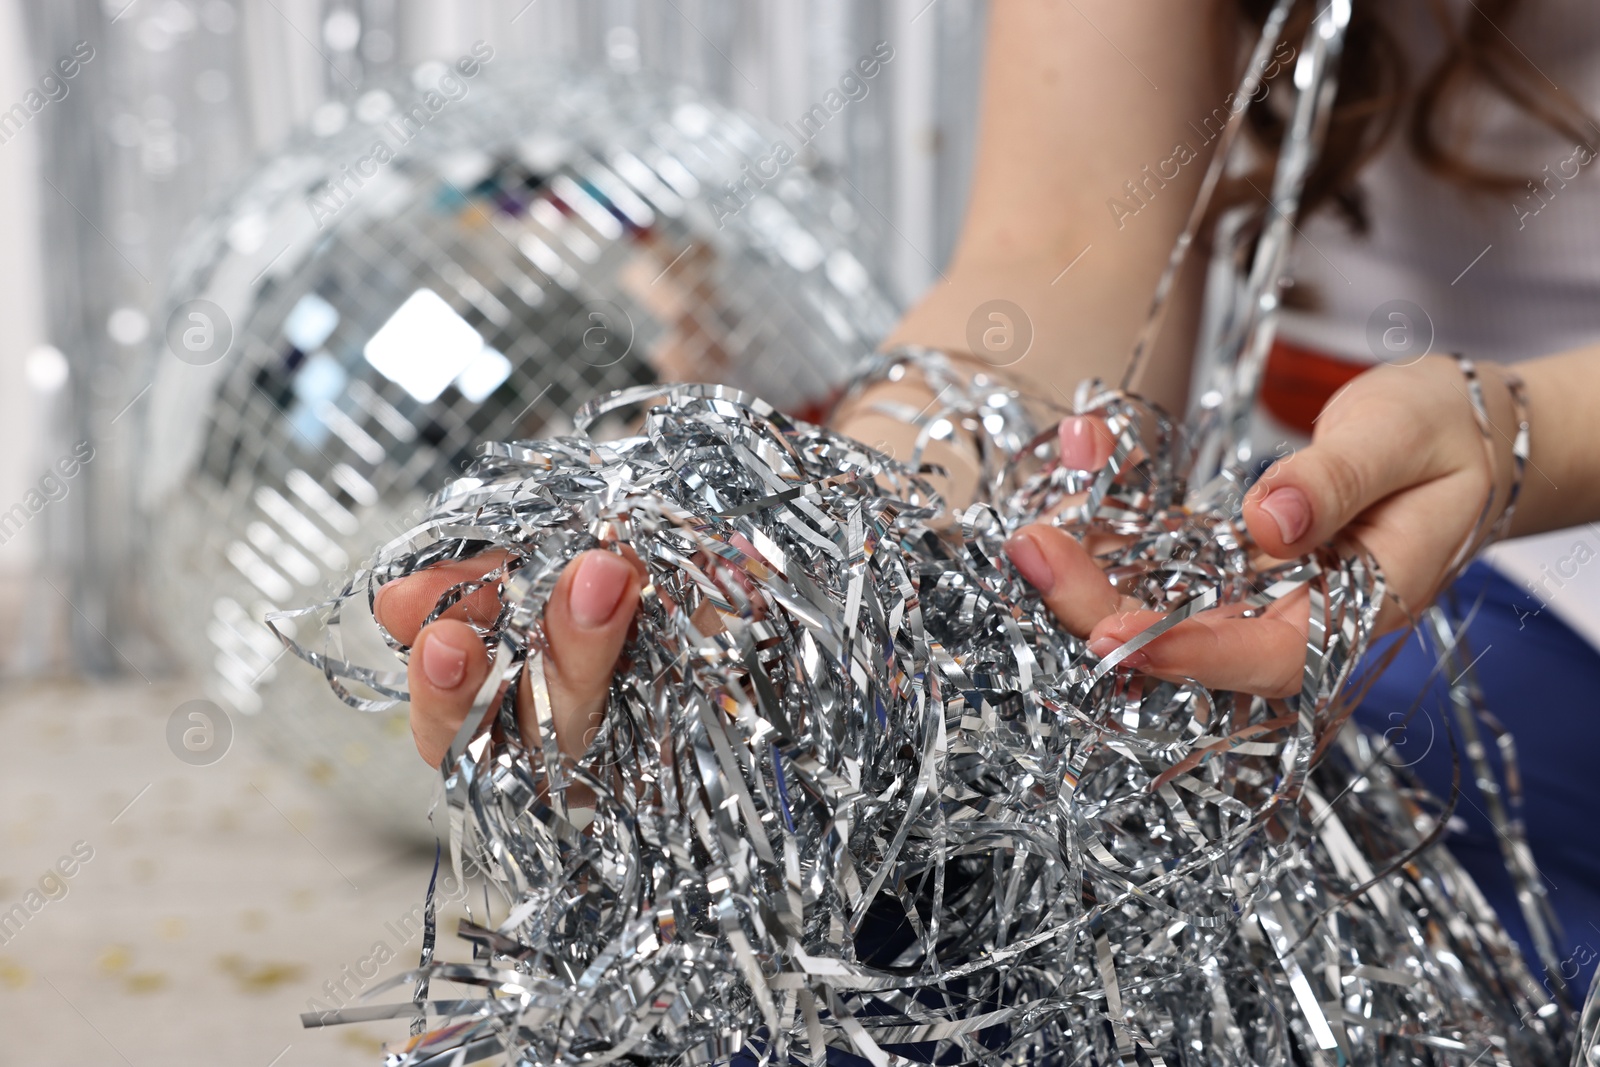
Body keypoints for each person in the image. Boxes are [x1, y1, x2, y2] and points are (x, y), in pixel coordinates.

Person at [372, 0, 1600, 993]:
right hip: (1326, 539)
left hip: (1537, 578)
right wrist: (804, 550)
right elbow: (1063, 244)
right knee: (832, 920)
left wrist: (1521, 441)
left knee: (1342, 947)